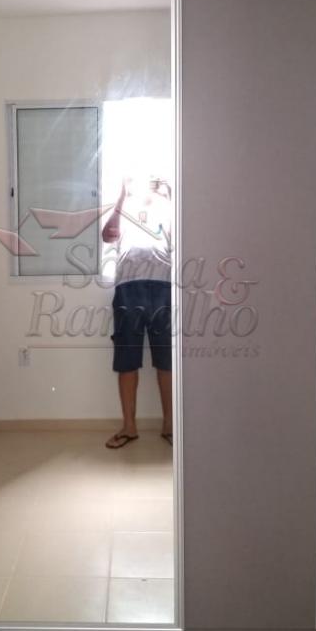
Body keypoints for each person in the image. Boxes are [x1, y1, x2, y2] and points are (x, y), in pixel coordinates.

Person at [102, 175, 173, 449]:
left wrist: (171, 196)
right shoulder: (124, 205)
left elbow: (185, 238)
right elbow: (108, 236)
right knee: (126, 360)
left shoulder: (167, 205)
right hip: (128, 288)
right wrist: (121, 197)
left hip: (163, 286)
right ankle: (129, 427)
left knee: (166, 360)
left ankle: (170, 425)